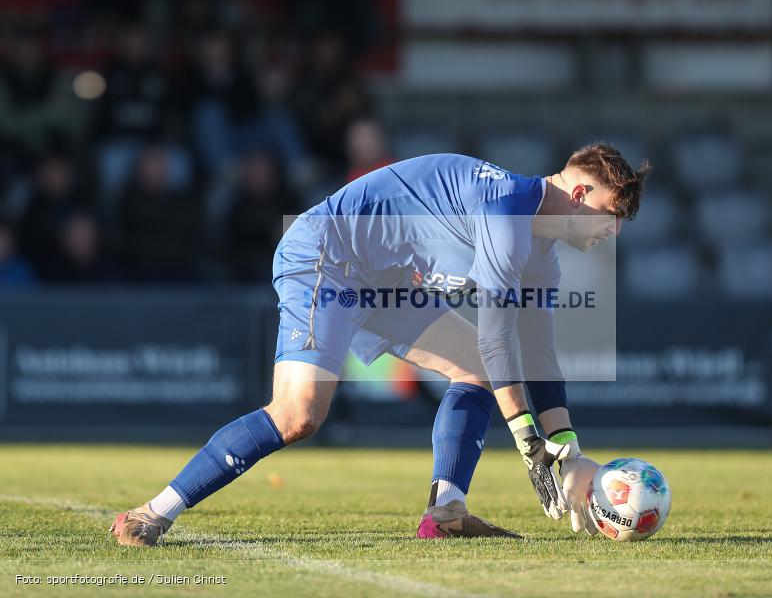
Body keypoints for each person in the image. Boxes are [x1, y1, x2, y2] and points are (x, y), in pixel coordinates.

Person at [110, 144, 650, 545]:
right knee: (298, 416)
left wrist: (570, 454)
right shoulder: (509, 208)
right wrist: (530, 441)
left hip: (383, 281)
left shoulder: (541, 254)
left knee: (478, 375)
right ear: (581, 195)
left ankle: (446, 513)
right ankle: (151, 513)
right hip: (327, 254)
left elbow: (540, 356)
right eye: (613, 216)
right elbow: (495, 335)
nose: (614, 233)